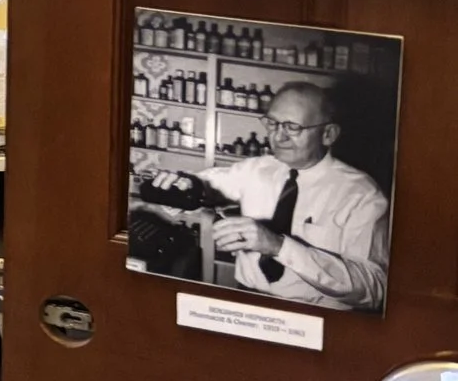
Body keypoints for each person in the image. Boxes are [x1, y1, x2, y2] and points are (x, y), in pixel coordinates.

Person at [135, 79, 388, 309]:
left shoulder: (362, 195)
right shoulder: (257, 169)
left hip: (314, 317)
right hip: (246, 301)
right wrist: (184, 187)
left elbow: (374, 288)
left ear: (328, 134)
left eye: (293, 127)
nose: (278, 137)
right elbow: (208, 185)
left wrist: (278, 246)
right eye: (272, 123)